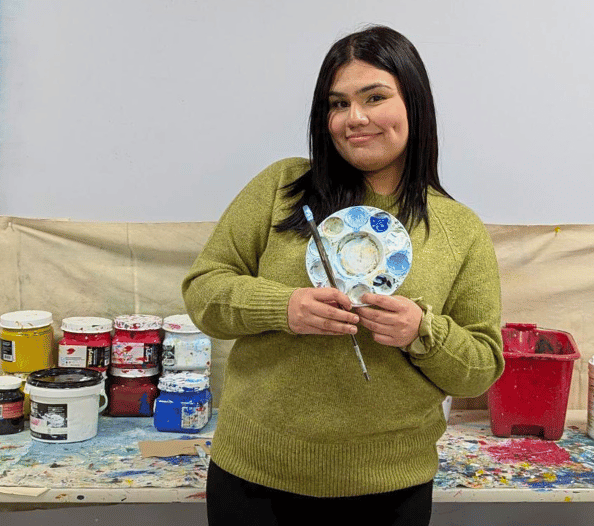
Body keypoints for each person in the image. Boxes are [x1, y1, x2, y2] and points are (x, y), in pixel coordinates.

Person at [182, 25, 504, 526]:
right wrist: (282, 307)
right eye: (338, 104)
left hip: (389, 486)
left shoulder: (458, 229)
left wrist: (423, 332)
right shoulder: (282, 187)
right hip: (255, 475)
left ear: (414, 105)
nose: (355, 118)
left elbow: (482, 367)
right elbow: (203, 291)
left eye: (375, 97)